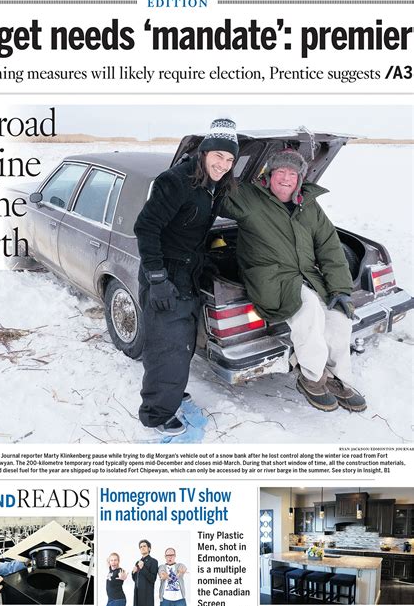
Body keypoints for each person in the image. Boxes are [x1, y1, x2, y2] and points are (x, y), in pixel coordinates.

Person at [220, 149, 366, 412]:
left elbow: (330, 248)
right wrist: (204, 169)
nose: (285, 178)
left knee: (339, 318)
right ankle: (312, 377)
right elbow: (217, 195)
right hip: (269, 278)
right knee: (309, 309)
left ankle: (338, 378)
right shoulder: (248, 197)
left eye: (292, 173)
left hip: (306, 275)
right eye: (280, 172)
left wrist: (341, 290)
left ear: (299, 178)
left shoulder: (308, 205)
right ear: (269, 175)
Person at [134, 118, 239, 435]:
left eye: (230, 159)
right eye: (218, 156)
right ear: (205, 152)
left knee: (181, 346)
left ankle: (170, 392)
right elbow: (146, 227)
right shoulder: (175, 181)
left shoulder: (214, 185)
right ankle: (155, 413)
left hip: (188, 274)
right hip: (165, 275)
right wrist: (156, 277)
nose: (223, 164)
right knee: (166, 346)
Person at [131, 539, 158, 606]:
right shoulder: (138, 562)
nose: (142, 548)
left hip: (147, 592)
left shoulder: (153, 561)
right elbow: (136, 579)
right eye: (141, 546)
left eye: (144, 546)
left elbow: (152, 579)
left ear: (149, 548)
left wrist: (143, 568)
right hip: (138, 592)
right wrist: (134, 573)